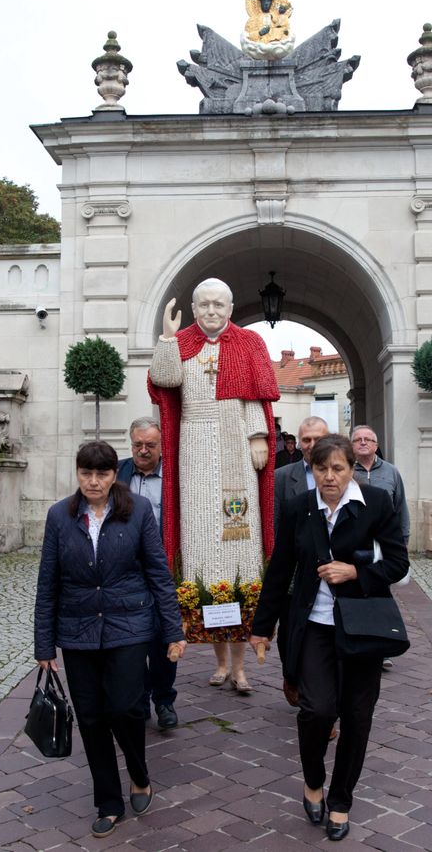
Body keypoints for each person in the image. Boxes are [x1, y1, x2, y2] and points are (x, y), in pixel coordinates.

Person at [249, 434, 408, 842]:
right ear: (312, 470)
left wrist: (355, 572)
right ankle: (313, 779)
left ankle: (340, 801)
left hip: (362, 626)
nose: (330, 477)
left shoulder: (375, 504)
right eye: (322, 469)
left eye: (338, 468)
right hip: (314, 625)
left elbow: (397, 562)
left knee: (357, 718)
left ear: (352, 469)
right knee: (316, 711)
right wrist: (262, 628)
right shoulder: (299, 507)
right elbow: (280, 568)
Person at [34, 441, 187, 838]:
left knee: (126, 708)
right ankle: (108, 800)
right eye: (86, 474)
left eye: (101, 474)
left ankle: (139, 773)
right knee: (90, 716)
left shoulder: (136, 511)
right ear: (78, 473)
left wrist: (173, 629)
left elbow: (158, 573)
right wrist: (44, 645)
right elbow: (47, 582)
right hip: (77, 629)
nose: (94, 482)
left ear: (112, 475)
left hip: (129, 626)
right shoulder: (60, 516)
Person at [148, 278, 279, 696]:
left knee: (239, 552)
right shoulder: (181, 341)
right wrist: (168, 339)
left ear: (231, 306)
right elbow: (164, 382)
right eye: (203, 305)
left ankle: (241, 666)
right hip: (194, 443)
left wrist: (258, 436)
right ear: (193, 307)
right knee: (204, 553)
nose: (210, 311)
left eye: (218, 304)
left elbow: (257, 397)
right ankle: (219, 661)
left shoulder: (249, 342)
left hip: (236, 441)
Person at [116, 417, 180, 730]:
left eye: (150, 445)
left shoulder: (174, 475)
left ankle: (165, 700)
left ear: (161, 445)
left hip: (164, 569)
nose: (143, 450)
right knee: (132, 641)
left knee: (163, 636)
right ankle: (139, 700)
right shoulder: (118, 472)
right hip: (127, 570)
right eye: (138, 444)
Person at [272, 416, 330, 704]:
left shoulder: (342, 474)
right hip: (295, 574)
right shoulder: (283, 477)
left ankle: (317, 699)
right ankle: (291, 675)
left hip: (330, 574)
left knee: (321, 637)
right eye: (306, 439)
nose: (311, 445)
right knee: (289, 634)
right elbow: (276, 526)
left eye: (317, 439)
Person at [350, 424, 411, 671]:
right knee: (355, 592)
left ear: (376, 445)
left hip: (382, 544)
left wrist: (402, 543)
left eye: (368, 439)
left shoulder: (391, 472)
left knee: (381, 595)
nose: (363, 443)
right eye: (358, 439)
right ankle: (356, 640)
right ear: (351, 445)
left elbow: (401, 508)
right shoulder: (345, 472)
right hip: (353, 545)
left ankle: (383, 646)